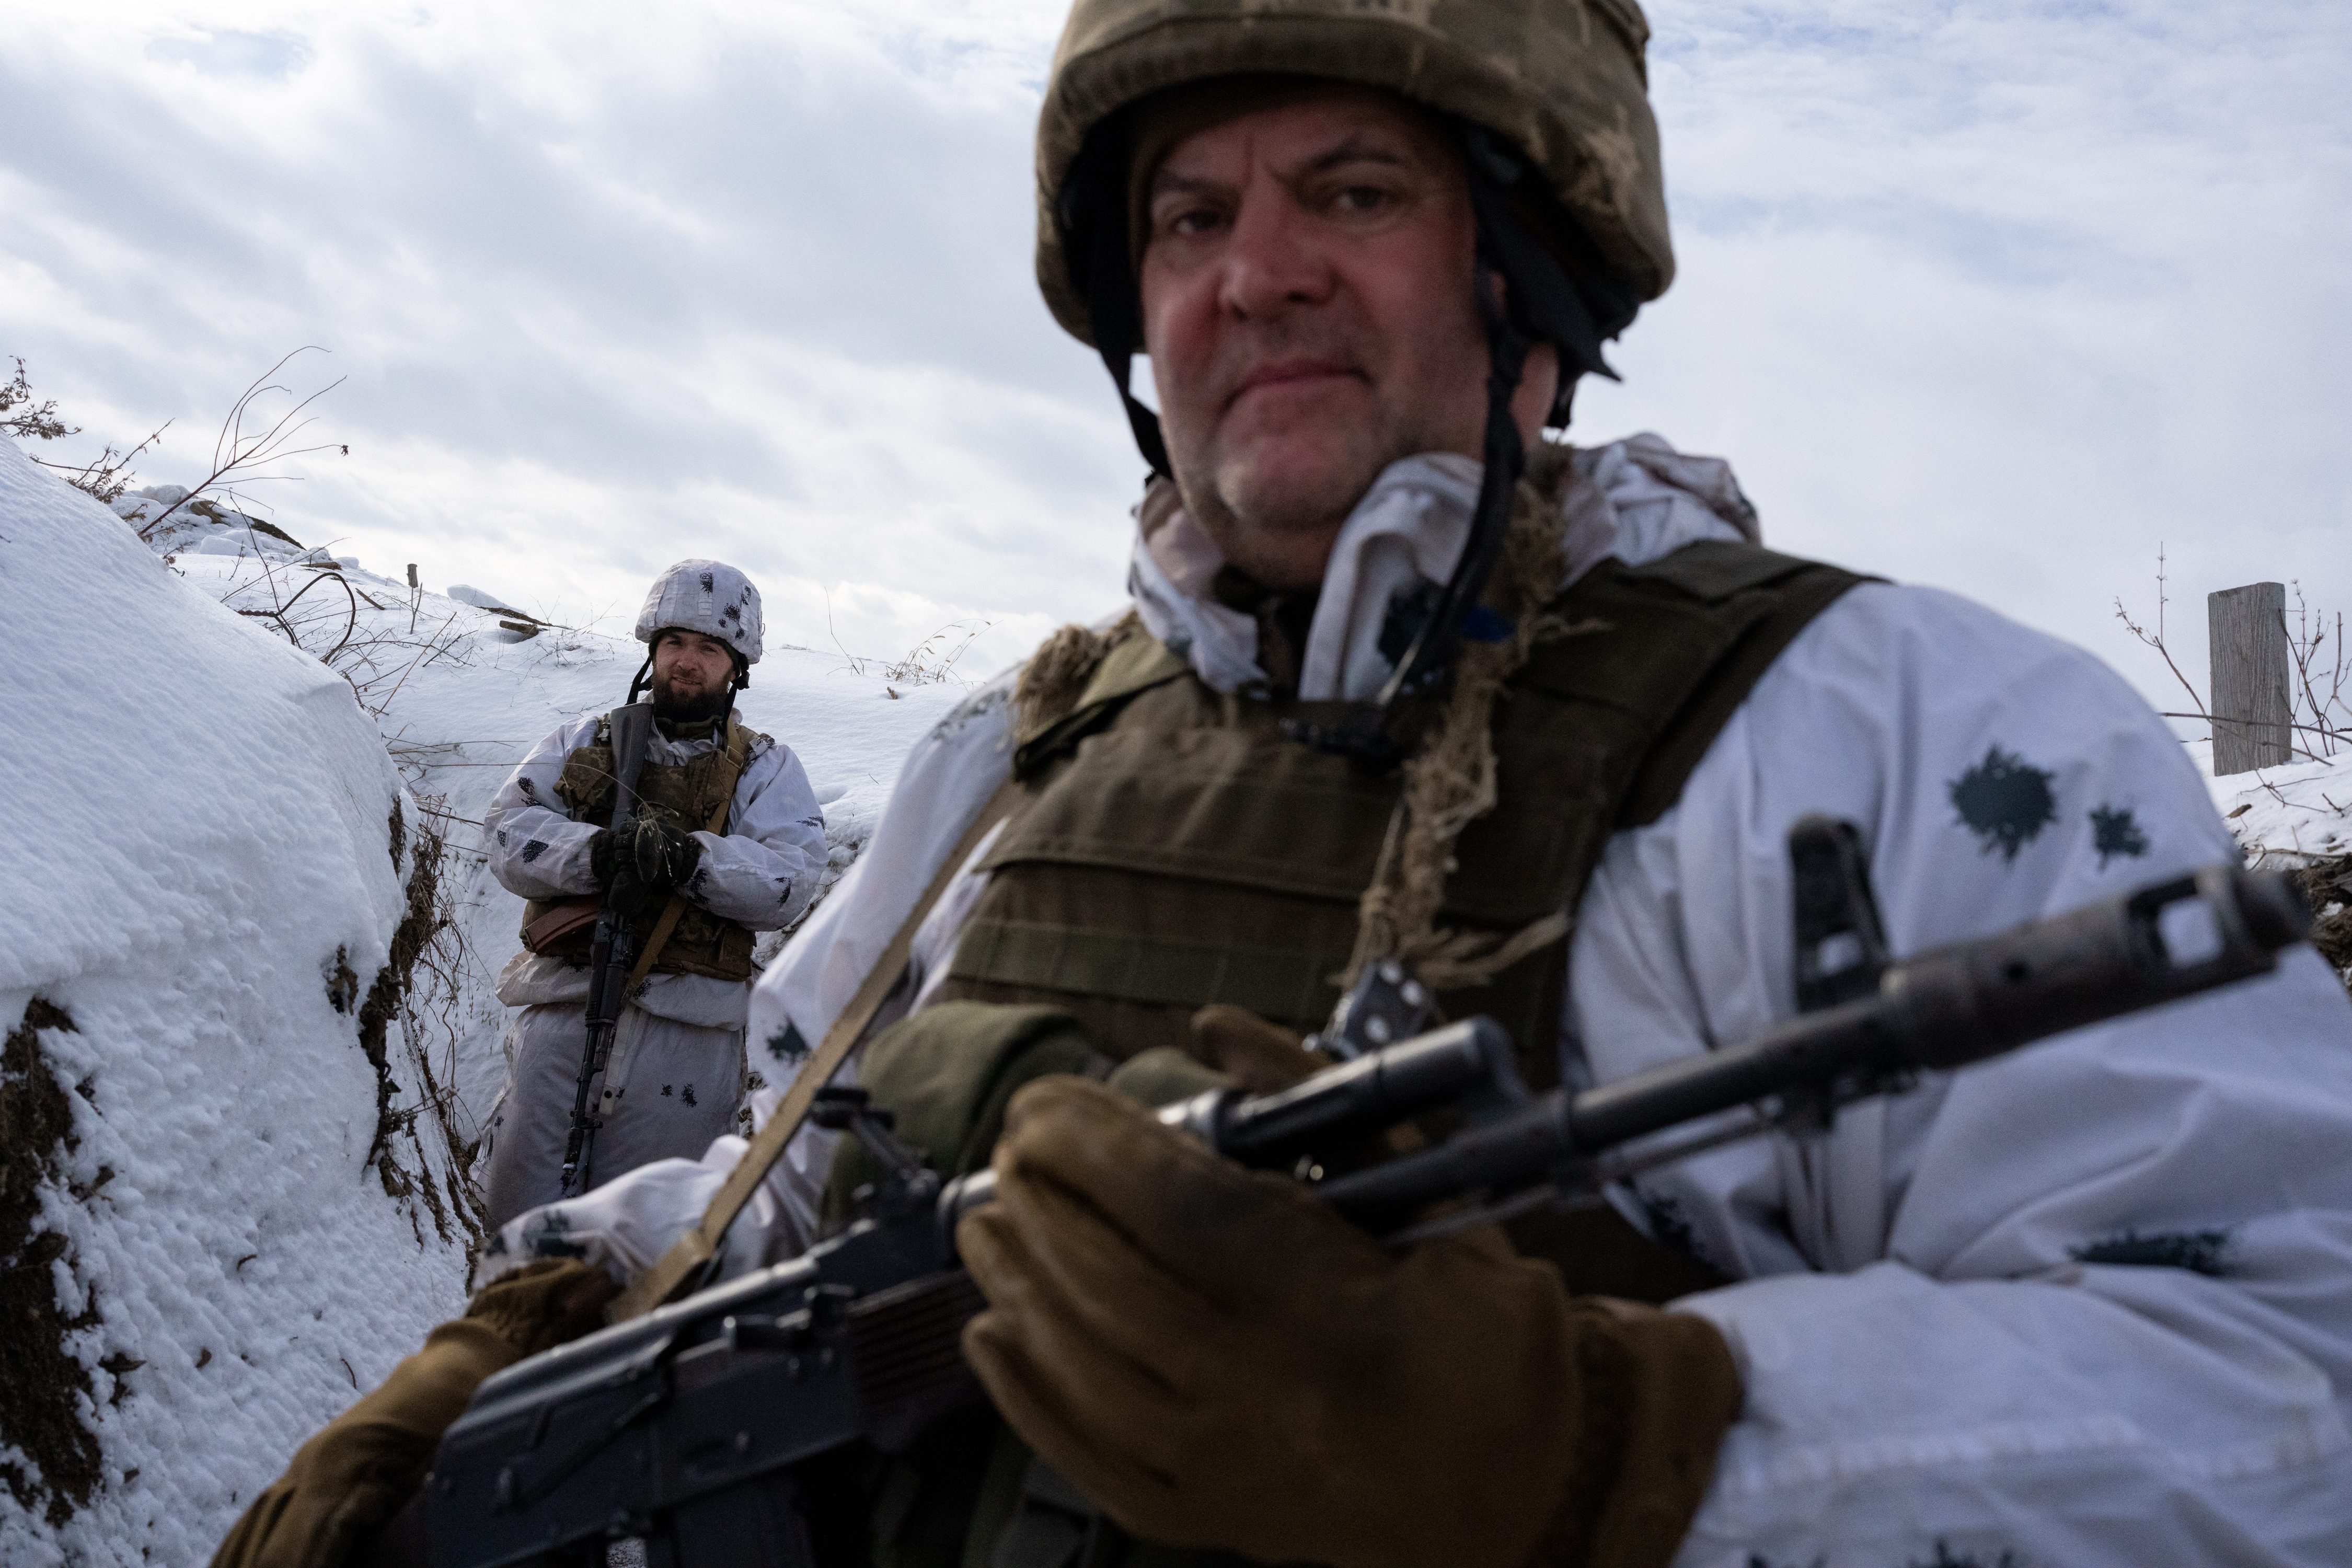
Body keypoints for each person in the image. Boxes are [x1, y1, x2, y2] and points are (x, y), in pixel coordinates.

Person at [218, 4, 2352, 1566]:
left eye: (1355, 191)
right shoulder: (1010, 760)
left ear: (1539, 265)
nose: (1255, 274)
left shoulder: (1902, 741)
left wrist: (1611, 1449)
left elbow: (2284, 1401)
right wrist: (516, 1339)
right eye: (1191, 213)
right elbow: (779, 1185)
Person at [471, 558, 827, 1230]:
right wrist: (599, 854)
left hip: (687, 1039)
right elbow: (506, 832)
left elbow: (790, 880)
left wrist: (689, 860)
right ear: (652, 650)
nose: (687, 662)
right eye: (674, 644)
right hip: (567, 1009)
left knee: (643, 1252)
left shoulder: (765, 767)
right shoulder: (585, 741)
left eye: (707, 648)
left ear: (735, 664)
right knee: (512, 1232)